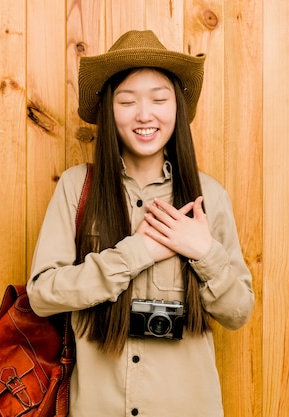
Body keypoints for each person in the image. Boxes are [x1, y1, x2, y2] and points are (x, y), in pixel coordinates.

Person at [27, 30, 254, 417]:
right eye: (127, 101)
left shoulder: (208, 197)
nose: (144, 114)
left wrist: (203, 252)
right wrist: (137, 252)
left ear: (177, 108)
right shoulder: (76, 187)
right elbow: (42, 294)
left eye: (159, 99)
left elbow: (237, 312)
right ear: (108, 110)